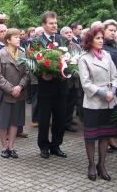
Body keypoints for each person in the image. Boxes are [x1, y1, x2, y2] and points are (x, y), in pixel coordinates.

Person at [78, 26, 117, 181]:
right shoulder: (84, 58)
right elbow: (86, 83)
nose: (101, 41)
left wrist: (113, 91)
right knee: (91, 136)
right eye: (98, 38)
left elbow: (115, 76)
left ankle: (101, 165)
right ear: (90, 40)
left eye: (102, 38)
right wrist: (103, 93)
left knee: (105, 135)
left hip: (109, 101)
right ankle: (91, 164)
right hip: (94, 102)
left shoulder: (108, 55)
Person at [35, 11, 68, 159]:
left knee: (60, 118)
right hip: (45, 87)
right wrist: (41, 74)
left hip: (61, 86)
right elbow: (33, 65)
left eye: (55, 23)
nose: (54, 25)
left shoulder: (63, 40)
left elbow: (69, 60)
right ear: (44, 25)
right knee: (44, 119)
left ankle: (56, 145)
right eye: (51, 23)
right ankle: (44, 146)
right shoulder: (36, 42)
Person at [0, 28, 30, 158]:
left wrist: (19, 87)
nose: (19, 39)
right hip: (5, 94)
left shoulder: (22, 53)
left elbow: (27, 73)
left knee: (15, 121)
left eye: (19, 37)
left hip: (19, 94)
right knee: (3, 122)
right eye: (15, 37)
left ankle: (11, 147)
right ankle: (4, 147)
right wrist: (11, 89)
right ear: (8, 40)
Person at [101, 19, 117, 152]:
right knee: (104, 114)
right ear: (103, 31)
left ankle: (110, 138)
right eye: (110, 30)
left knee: (112, 113)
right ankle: (105, 141)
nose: (113, 33)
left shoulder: (115, 45)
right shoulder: (100, 45)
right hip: (104, 84)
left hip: (116, 83)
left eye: (115, 31)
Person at [60, 26, 82, 133]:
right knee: (64, 102)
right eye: (66, 33)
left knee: (72, 101)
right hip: (64, 78)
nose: (69, 34)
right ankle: (64, 122)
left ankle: (68, 120)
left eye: (70, 32)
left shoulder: (77, 46)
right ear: (61, 35)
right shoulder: (60, 47)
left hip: (75, 79)